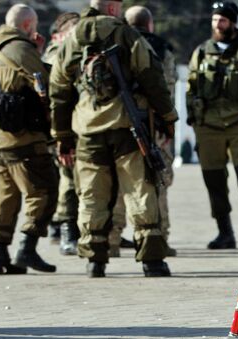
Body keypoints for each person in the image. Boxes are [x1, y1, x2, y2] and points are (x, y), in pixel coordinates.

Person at [49, 0, 177, 278]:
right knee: (140, 190)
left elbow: (58, 90)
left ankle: (95, 260)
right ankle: (152, 261)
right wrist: (168, 118)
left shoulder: (73, 38)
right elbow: (152, 77)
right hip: (128, 127)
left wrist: (62, 136)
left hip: (87, 131)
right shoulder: (127, 34)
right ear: (111, 9)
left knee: (93, 193)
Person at [186, 1, 238, 250]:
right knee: (214, 180)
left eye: (222, 19)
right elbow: (191, 87)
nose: (217, 24)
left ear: (232, 22)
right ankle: (224, 232)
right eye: (214, 20)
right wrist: (195, 119)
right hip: (209, 125)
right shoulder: (202, 51)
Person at [0, 4, 58, 275]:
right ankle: (27, 248)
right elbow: (45, 85)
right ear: (28, 26)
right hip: (22, 136)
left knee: (5, 197)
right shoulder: (20, 49)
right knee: (45, 190)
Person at [106, 5, 179, 258]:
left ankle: (112, 239)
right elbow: (167, 87)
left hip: (118, 124)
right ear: (150, 25)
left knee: (116, 181)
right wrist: (167, 120)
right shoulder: (160, 48)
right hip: (152, 125)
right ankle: (159, 238)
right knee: (156, 181)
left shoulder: (116, 44)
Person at [42, 12, 82, 256]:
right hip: (63, 128)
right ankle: (68, 231)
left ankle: (64, 227)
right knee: (68, 181)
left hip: (73, 125)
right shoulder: (57, 55)